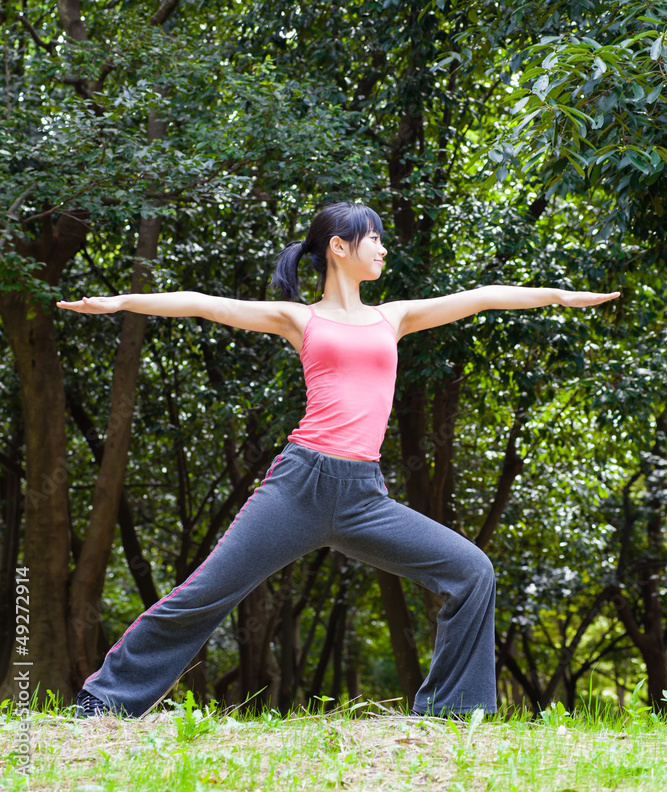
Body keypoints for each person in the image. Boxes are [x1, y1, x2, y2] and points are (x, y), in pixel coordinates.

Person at [57, 201, 619, 719]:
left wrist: (558, 296)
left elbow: (482, 297)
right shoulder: (299, 319)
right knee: (206, 592)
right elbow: (204, 306)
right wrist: (122, 301)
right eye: (371, 238)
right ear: (338, 248)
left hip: (363, 497)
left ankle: (451, 713)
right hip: (299, 485)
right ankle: (103, 700)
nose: (381, 248)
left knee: (472, 571)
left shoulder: (394, 317)